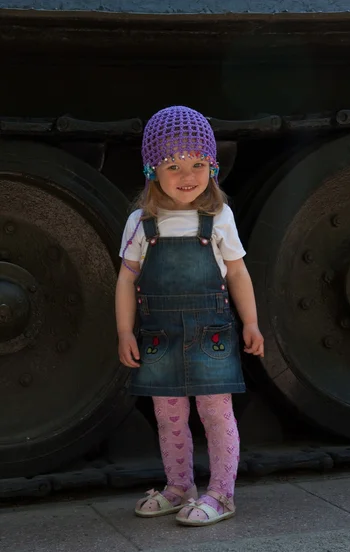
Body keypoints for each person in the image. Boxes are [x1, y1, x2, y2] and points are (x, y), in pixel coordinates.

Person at [115, 105, 264, 527]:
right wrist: (125, 330)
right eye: (173, 165)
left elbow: (237, 271)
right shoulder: (141, 223)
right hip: (159, 335)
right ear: (152, 170)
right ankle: (180, 485)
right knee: (169, 413)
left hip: (210, 333)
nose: (188, 175)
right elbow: (126, 280)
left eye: (199, 163)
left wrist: (251, 322)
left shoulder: (217, 217)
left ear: (212, 167)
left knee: (216, 411)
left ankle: (222, 492)